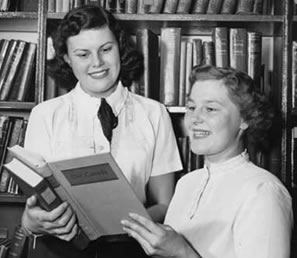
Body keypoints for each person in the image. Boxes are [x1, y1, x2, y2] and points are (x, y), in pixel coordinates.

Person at [21, 4, 183, 258]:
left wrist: (125, 223)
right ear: (66, 58)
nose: (97, 63)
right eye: (83, 54)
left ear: (119, 46)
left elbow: (165, 204)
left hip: (133, 249)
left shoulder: (154, 113)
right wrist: (34, 221)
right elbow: (36, 203)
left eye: (106, 49)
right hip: (62, 249)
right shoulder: (45, 115)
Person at [121, 65, 294, 258]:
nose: (195, 118)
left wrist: (182, 252)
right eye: (192, 107)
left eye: (210, 109)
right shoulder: (186, 184)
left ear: (245, 119)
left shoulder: (264, 190)